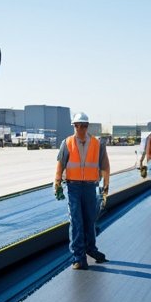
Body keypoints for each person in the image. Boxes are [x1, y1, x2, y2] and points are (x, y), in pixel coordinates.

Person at [54, 112, 110, 270]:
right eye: (77, 125)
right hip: (73, 187)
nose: (80, 128)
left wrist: (106, 187)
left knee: (90, 220)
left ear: (87, 126)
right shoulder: (67, 143)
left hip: (90, 187)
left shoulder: (96, 144)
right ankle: (78, 257)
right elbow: (60, 164)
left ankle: (91, 249)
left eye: (83, 125)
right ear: (74, 126)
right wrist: (57, 184)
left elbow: (105, 166)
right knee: (76, 221)